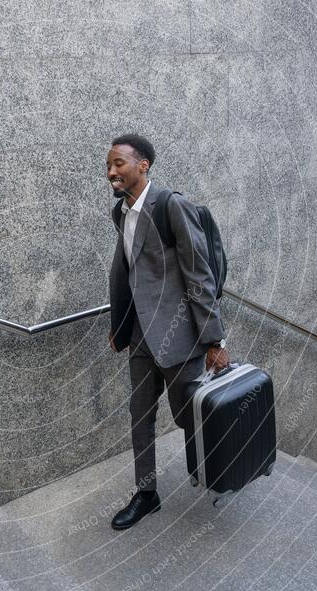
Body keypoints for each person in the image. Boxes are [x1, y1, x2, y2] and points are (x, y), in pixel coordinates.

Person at [106, 133, 229, 530]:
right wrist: (120, 327)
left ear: (143, 166)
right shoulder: (121, 213)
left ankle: (225, 465)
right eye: (108, 165)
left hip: (179, 337)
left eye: (119, 164)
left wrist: (213, 339)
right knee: (139, 415)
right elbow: (128, 273)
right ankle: (146, 494)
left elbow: (199, 274)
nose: (111, 171)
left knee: (187, 416)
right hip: (141, 336)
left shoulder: (171, 205)